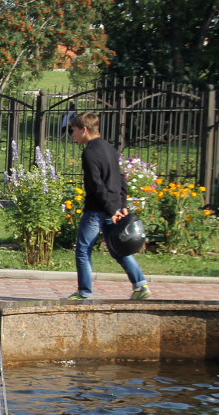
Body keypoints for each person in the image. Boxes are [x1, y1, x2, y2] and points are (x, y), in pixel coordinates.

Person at [68, 111, 151, 300]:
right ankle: (141, 285)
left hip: (97, 209)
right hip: (113, 207)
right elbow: (120, 178)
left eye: (74, 131)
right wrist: (121, 204)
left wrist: (112, 209)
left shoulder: (89, 153)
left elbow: (97, 185)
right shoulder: (109, 148)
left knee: (83, 248)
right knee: (117, 248)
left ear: (85, 129)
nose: (73, 135)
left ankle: (84, 292)